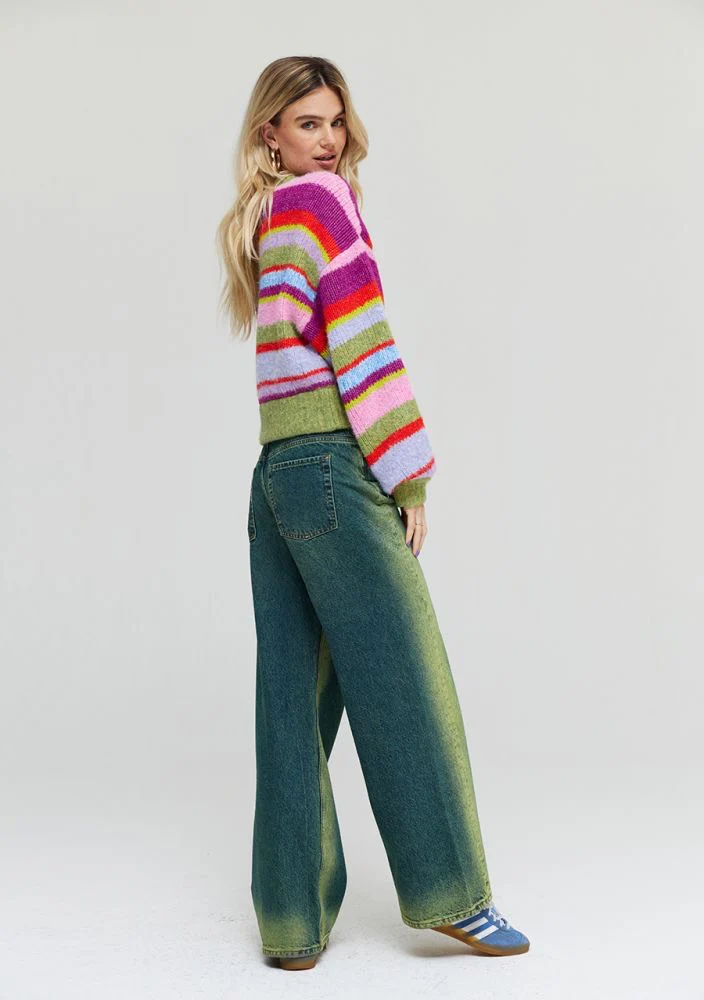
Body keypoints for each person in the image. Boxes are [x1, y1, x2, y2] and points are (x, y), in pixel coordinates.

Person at [216, 55, 530, 971]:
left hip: (275, 473)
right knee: (405, 672)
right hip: (332, 467)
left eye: (335, 121)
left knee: (291, 698)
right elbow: (362, 342)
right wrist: (408, 476)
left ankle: (290, 925)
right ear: (271, 133)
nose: (328, 139)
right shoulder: (324, 203)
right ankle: (454, 895)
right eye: (307, 123)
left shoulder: (266, 217)